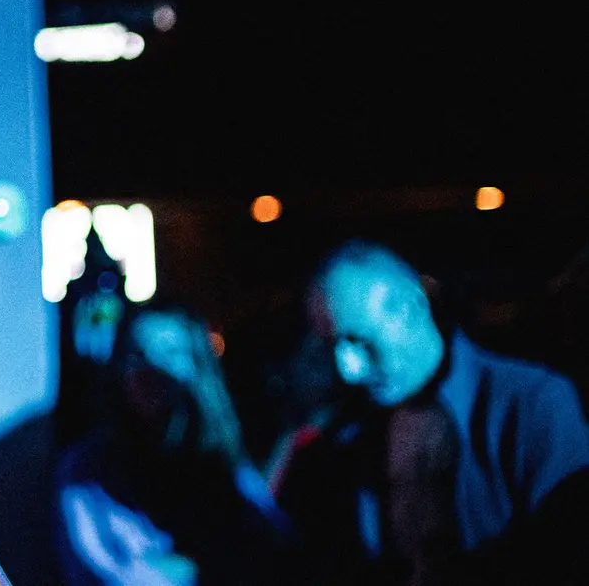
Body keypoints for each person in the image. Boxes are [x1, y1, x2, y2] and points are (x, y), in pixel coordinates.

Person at [278, 241, 589, 584]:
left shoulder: (533, 401)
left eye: (359, 340)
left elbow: (563, 555)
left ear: (410, 307)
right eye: (331, 344)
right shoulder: (354, 434)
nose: (348, 368)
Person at [55, 305, 294, 586]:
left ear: (198, 365)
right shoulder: (88, 470)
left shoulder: (222, 462)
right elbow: (103, 574)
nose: (152, 368)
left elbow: (272, 549)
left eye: (170, 353)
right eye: (139, 355)